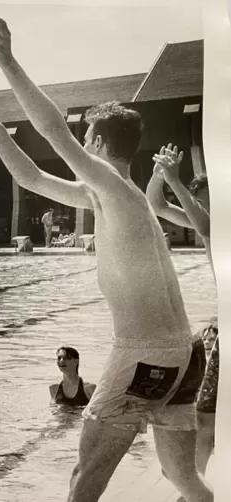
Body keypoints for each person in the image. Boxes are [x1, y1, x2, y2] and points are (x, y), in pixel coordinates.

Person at [0, 15, 211, 501]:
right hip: (184, 356)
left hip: (142, 354)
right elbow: (32, 179)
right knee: (185, 481)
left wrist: (7, 62)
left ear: (95, 143)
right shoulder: (111, 196)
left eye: (84, 137)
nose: (78, 145)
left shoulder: (113, 187)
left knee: (84, 481)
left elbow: (55, 134)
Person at [147, 145, 216, 476]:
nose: (203, 209)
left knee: (207, 416)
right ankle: (200, 487)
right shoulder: (206, 219)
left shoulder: (220, 224)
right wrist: (159, 174)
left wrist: (175, 179)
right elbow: (156, 205)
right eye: (200, 202)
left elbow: (204, 227)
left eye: (208, 202)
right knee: (205, 416)